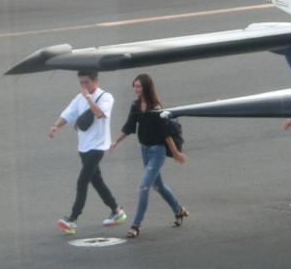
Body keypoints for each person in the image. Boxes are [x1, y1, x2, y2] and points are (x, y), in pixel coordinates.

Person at [109, 73, 188, 239]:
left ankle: (135, 225)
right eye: (134, 86)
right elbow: (129, 126)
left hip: (157, 152)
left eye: (138, 86)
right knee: (158, 186)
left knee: (143, 187)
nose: (136, 89)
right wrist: (115, 141)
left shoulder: (156, 108)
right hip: (144, 151)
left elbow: (165, 132)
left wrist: (175, 152)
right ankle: (179, 210)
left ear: (146, 87)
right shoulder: (136, 106)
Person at [48, 70, 125, 236]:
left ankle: (73, 219)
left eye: (86, 82)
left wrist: (88, 97)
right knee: (97, 181)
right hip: (83, 147)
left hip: (97, 147)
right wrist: (56, 125)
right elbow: (68, 114)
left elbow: (99, 113)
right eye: (81, 83)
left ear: (95, 80)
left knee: (82, 181)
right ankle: (117, 210)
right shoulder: (79, 98)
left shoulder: (106, 97)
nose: (83, 86)